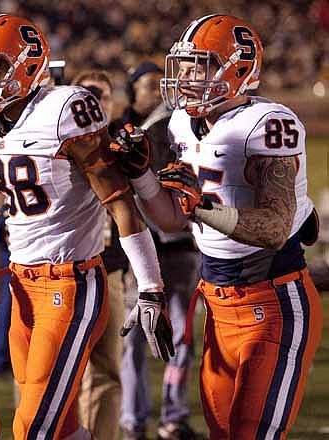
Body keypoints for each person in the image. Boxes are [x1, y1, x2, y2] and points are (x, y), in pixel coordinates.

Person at [0, 14, 173, 439]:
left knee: (34, 425)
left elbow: (119, 202)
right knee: (62, 424)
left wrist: (150, 287)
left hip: (69, 284)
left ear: (29, 66)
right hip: (20, 285)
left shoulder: (64, 110)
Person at [118, 14, 323, 439]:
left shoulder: (268, 123)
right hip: (216, 300)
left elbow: (275, 228)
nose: (187, 76)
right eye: (185, 65)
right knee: (222, 432)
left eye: (200, 66)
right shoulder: (180, 123)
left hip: (273, 300)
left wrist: (202, 209)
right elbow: (174, 219)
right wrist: (141, 176)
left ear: (238, 68)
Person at [112, 62, 202, 440]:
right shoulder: (122, 133)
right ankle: (133, 419)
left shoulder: (179, 126)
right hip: (142, 250)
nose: (155, 93)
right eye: (148, 86)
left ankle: (173, 416)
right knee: (132, 337)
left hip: (180, 247)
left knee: (180, 336)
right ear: (133, 91)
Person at [70, 69, 126, 440]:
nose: (95, 100)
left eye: (101, 95)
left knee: (107, 369)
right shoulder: (59, 138)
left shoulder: (123, 141)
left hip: (111, 271)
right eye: (87, 93)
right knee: (56, 372)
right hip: (66, 272)